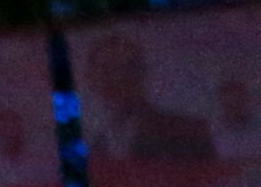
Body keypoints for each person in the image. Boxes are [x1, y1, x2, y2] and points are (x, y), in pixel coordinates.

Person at [81, 29, 219, 164]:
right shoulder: (96, 144)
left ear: (143, 74)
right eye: (107, 70)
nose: (118, 78)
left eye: (128, 68)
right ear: (91, 79)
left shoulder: (187, 131)